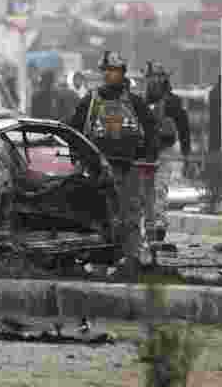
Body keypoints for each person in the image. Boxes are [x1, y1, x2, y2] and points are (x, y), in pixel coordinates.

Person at [66, 51, 157, 268]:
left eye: (115, 71)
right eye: (107, 71)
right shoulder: (90, 101)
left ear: (122, 74)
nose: (110, 75)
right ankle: (100, 261)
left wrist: (148, 154)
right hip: (98, 170)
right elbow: (74, 130)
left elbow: (152, 130)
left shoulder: (135, 103)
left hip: (129, 168)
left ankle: (131, 261)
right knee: (101, 216)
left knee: (131, 216)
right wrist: (76, 157)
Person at [143, 61, 191, 244]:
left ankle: (159, 226)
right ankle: (150, 226)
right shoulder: (140, 101)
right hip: (144, 153)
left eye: (157, 76)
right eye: (151, 77)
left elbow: (184, 128)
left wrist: (187, 155)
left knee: (159, 188)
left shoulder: (172, 102)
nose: (153, 80)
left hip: (163, 151)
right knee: (145, 192)